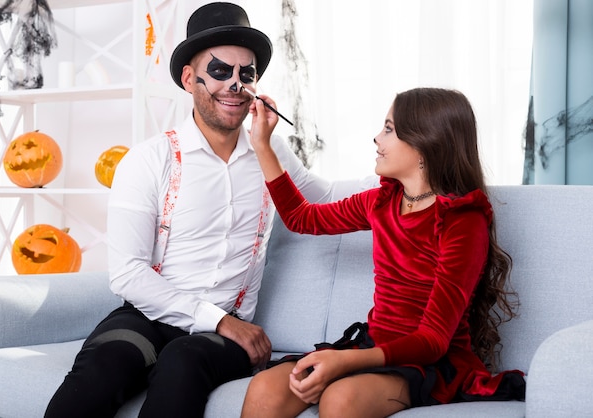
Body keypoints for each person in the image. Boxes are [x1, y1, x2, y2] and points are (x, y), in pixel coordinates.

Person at [44, 3, 375, 418]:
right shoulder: (149, 160)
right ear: (189, 78)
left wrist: (412, 174)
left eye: (247, 74)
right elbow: (128, 273)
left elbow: (323, 195)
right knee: (103, 366)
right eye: (220, 70)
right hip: (152, 316)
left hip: (224, 337)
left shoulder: (270, 153)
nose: (235, 84)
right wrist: (218, 319)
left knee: (182, 361)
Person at [241, 87, 526, 418]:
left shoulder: (463, 220)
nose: (377, 138)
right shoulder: (382, 201)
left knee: (341, 398)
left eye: (389, 129)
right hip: (374, 346)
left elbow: (433, 340)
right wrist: (262, 142)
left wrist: (344, 361)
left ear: (424, 144)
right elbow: (300, 218)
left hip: (428, 361)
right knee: (264, 388)